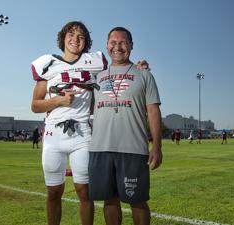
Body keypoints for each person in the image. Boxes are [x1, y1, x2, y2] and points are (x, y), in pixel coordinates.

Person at [31, 21, 107, 225]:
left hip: (83, 134)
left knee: (85, 191)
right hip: (53, 137)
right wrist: (58, 100)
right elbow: (35, 106)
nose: (75, 39)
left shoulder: (95, 62)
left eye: (81, 36)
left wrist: (138, 67)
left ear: (86, 42)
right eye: (71, 34)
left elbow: (116, 72)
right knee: (54, 191)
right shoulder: (48, 64)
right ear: (63, 38)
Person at [89, 27, 162, 225]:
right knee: (109, 201)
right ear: (106, 45)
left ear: (131, 45)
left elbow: (153, 111)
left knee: (138, 202)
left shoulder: (144, 75)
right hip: (100, 148)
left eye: (123, 42)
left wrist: (156, 146)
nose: (117, 47)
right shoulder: (97, 77)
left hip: (133, 149)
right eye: (113, 42)